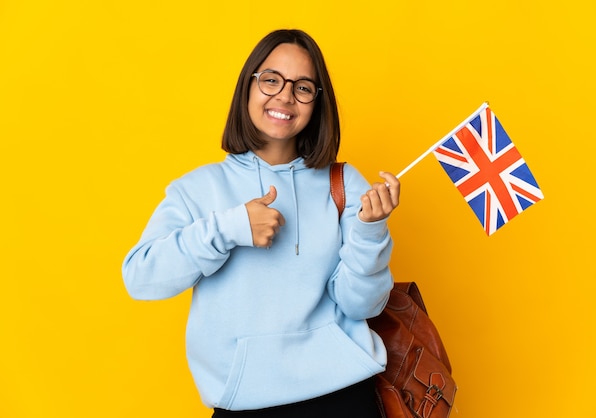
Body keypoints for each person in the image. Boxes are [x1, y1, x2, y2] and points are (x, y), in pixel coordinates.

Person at [122, 29, 400, 417]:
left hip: (343, 395)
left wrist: (371, 233)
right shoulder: (197, 189)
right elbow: (141, 277)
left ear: (317, 103)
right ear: (248, 87)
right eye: (271, 80)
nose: (285, 96)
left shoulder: (343, 183)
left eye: (303, 87)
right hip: (245, 402)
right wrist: (230, 228)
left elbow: (361, 305)